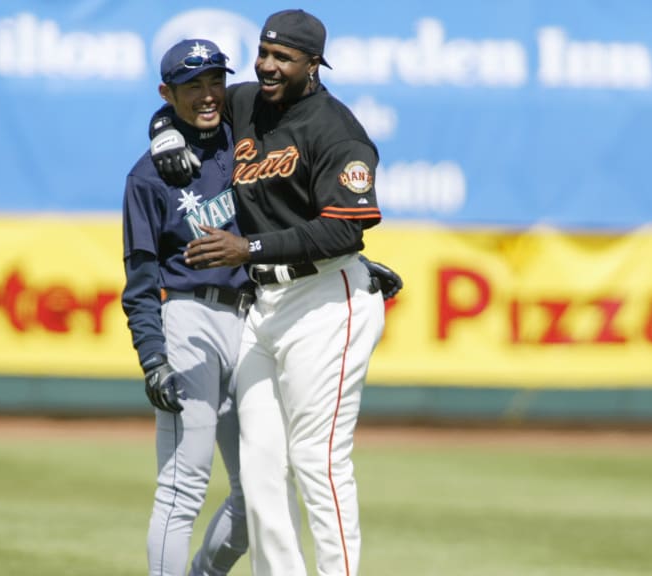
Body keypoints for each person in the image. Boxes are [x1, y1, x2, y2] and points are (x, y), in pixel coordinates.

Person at [149, 10, 401, 576]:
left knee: (318, 460)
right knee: (261, 470)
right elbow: (186, 104)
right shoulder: (246, 103)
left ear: (313, 65)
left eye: (283, 57)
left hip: (324, 303)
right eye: (264, 52)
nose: (268, 65)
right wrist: (162, 131)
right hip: (265, 308)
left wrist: (250, 251)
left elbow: (345, 228)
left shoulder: (337, 130)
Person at [120, 38, 253, 576]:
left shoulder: (247, 140)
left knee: (259, 493)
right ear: (166, 93)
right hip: (187, 316)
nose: (207, 94)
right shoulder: (147, 177)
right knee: (183, 486)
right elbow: (140, 280)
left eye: (215, 80)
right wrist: (153, 356)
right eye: (191, 85)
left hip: (251, 320)